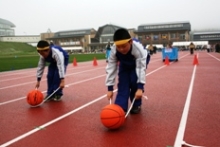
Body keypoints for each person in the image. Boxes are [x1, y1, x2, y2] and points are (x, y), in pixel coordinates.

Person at [105, 28, 147, 114]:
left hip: (138, 63)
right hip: (124, 63)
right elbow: (111, 67)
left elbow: (140, 68)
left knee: (134, 80)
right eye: (118, 47)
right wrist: (110, 88)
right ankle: (120, 106)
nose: (121, 49)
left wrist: (140, 87)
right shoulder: (114, 50)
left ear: (130, 42)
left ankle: (136, 104)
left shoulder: (138, 49)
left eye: (124, 46)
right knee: (123, 83)